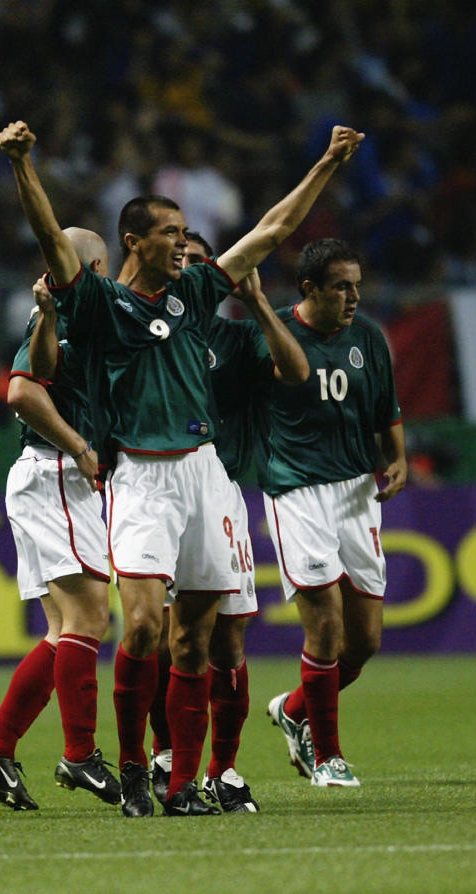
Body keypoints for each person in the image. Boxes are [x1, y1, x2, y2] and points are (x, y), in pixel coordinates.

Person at [0, 118, 363, 817]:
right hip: (139, 477)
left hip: (204, 472)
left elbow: (272, 230)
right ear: (134, 239)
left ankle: (184, 783)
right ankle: (134, 768)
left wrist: (326, 163)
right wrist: (23, 165)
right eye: (170, 232)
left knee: (195, 640)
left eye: (185, 233)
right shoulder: (99, 305)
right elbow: (50, 239)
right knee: (140, 628)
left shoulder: (194, 294)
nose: (184, 244)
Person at [144, 231, 309, 813]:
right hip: (156, 491)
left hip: (224, 492)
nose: (184, 266)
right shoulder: (141, 325)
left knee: (228, 638)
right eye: (178, 257)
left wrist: (261, 302)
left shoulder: (235, 337)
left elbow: (296, 372)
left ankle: (224, 769)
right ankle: (166, 758)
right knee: (165, 636)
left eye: (196, 260)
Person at [0, 227, 120, 812]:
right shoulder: (55, 318)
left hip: (46, 475)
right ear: (97, 265)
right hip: (56, 471)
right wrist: (81, 446)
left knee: (62, 632)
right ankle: (80, 755)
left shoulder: (62, 318)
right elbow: (23, 393)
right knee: (90, 616)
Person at [263, 239, 408, 788]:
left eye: (357, 286)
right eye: (342, 286)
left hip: (355, 492)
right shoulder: (276, 332)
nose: (353, 297)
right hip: (296, 490)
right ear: (310, 289)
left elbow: (385, 407)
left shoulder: (367, 336)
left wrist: (398, 458)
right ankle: (328, 756)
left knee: (364, 640)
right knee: (324, 622)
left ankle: (293, 708)